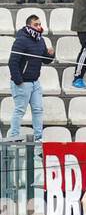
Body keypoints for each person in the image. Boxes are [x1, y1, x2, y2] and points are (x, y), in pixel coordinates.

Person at [6, 13, 51, 141]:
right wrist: (18, 80)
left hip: (35, 82)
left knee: (38, 109)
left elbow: (45, 60)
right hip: (22, 83)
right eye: (35, 24)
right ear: (29, 25)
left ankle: (38, 137)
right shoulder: (21, 40)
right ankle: (14, 136)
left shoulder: (40, 40)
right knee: (20, 110)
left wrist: (50, 55)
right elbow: (12, 62)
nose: (39, 27)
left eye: (40, 24)